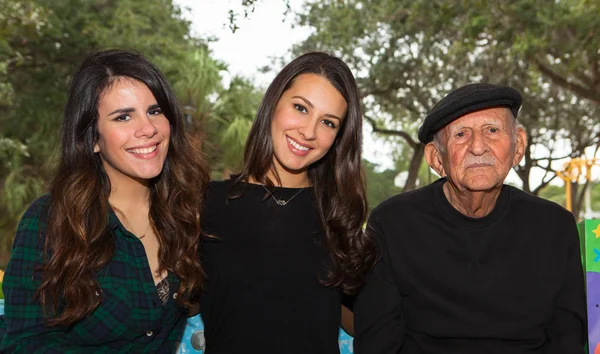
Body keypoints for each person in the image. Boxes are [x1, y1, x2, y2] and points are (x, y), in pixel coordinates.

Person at [0, 49, 210, 352]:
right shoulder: (50, 221)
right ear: (93, 139)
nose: (148, 129)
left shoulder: (188, 212)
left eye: (154, 111)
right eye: (123, 116)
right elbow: (23, 343)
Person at [354, 83, 587, 354]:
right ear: (436, 158)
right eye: (461, 134)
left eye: (492, 130)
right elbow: (377, 344)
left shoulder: (555, 227)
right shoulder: (392, 224)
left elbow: (566, 341)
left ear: (518, 146)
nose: (478, 147)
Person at [198, 51, 377, 353]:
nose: (309, 132)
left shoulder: (338, 216)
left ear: (339, 136)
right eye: (300, 108)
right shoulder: (206, 203)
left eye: (328, 123)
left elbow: (356, 320)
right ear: (273, 103)